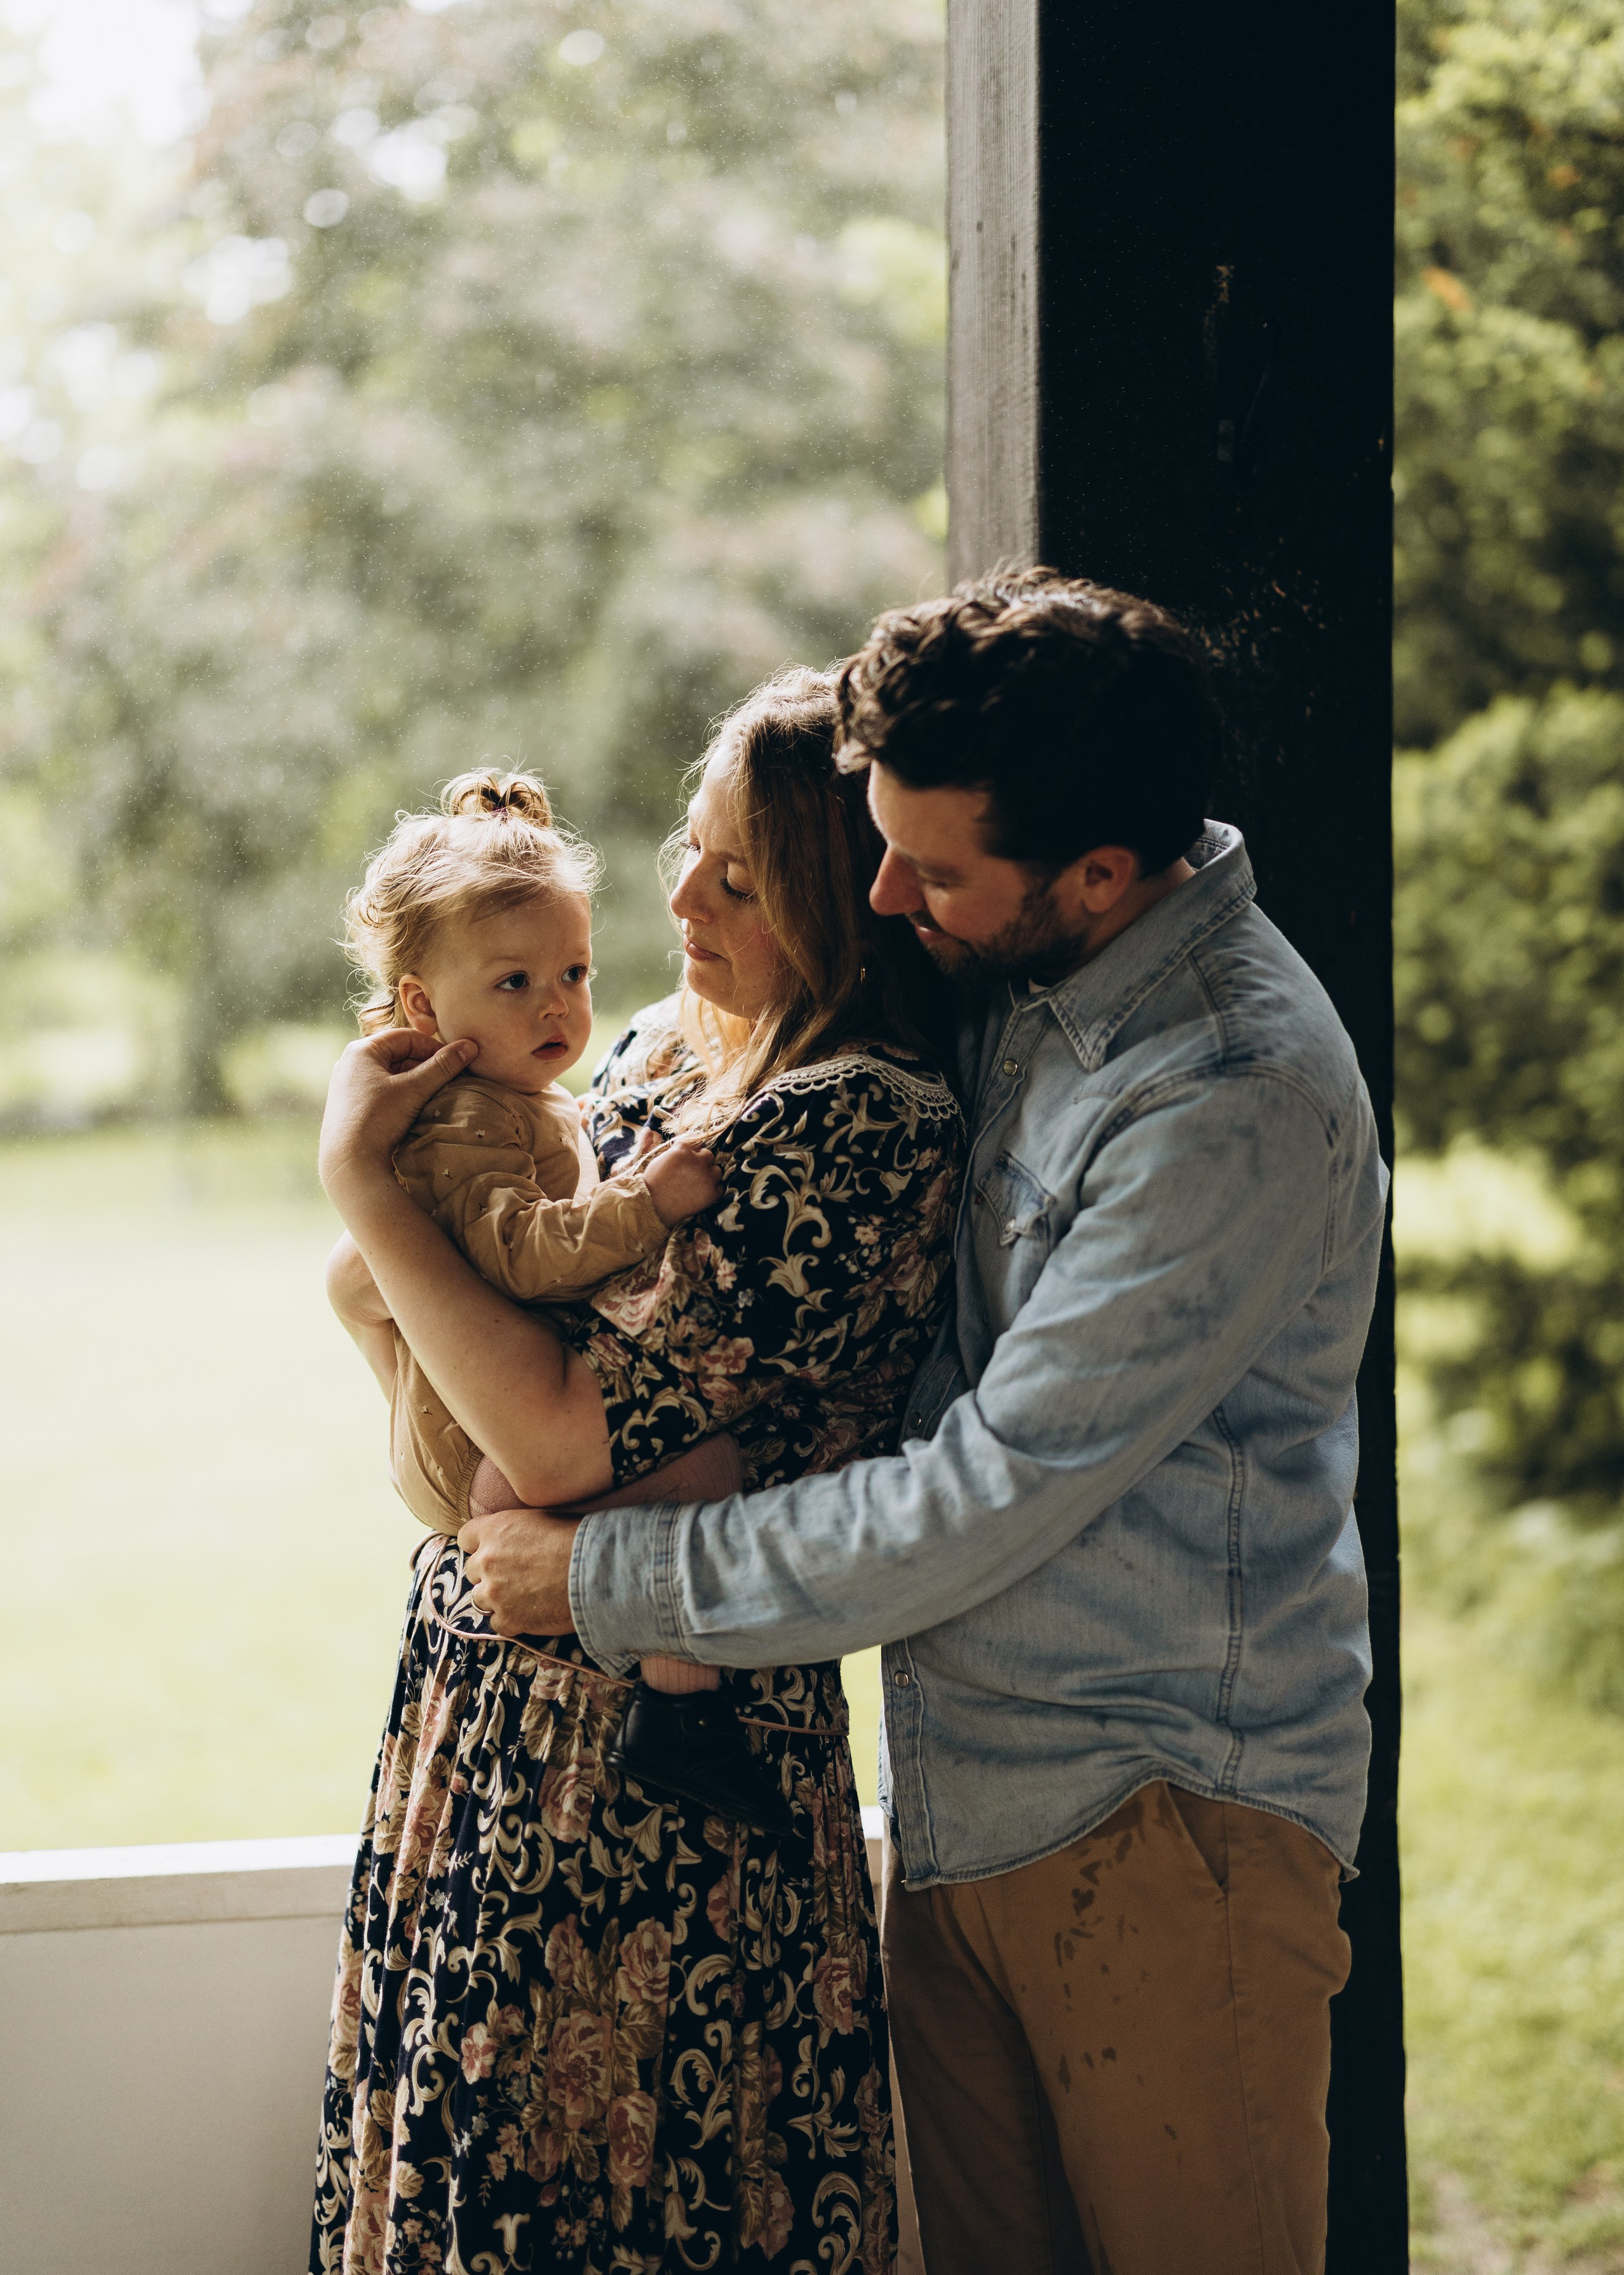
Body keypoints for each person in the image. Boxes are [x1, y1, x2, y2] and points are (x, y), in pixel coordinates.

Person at [461, 571, 1389, 2275]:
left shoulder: (1226, 1097)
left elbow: (982, 1495)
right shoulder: (1024, 970)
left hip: (1160, 1820)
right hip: (970, 1802)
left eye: (930, 868)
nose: (885, 894)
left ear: (1100, 873)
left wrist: (608, 1583)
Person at [311, 668, 964, 2274]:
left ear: (840, 899)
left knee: (632, 2197)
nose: (679, 893)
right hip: (495, 1715)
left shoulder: (850, 1122)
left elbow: (546, 1432)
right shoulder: (678, 1050)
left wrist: (355, 1182)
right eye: (686, 842)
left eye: (738, 876)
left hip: (655, 1788)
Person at [327, 761, 787, 1824]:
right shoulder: (464, 1125)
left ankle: (680, 1712)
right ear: (421, 1006)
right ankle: (685, 1722)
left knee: (701, 1467)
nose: (560, 1007)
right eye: (514, 984)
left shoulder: (522, 1101)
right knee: (705, 1467)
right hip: (480, 1454)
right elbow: (524, 1255)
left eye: (573, 973)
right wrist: (650, 1200)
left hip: (480, 1427)